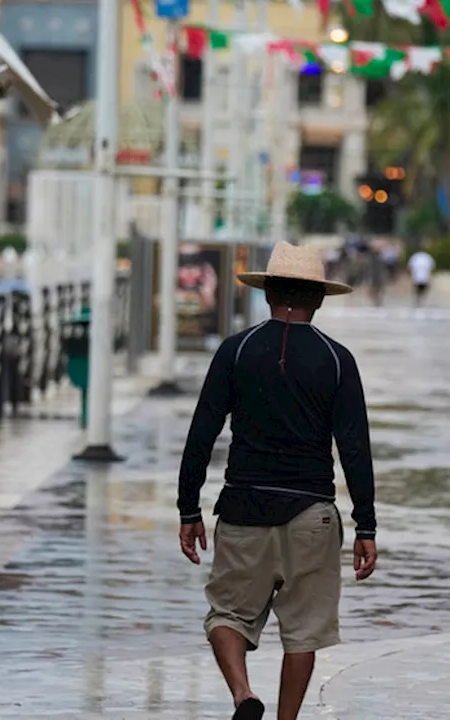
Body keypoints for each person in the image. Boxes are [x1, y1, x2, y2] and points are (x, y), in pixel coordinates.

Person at [177, 241, 379, 720]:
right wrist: (366, 526)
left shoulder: (237, 349)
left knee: (226, 616)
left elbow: (202, 432)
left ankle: (244, 696)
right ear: (320, 298)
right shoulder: (337, 360)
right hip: (312, 514)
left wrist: (189, 509)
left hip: (243, 507)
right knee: (303, 632)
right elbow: (355, 449)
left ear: (267, 294)